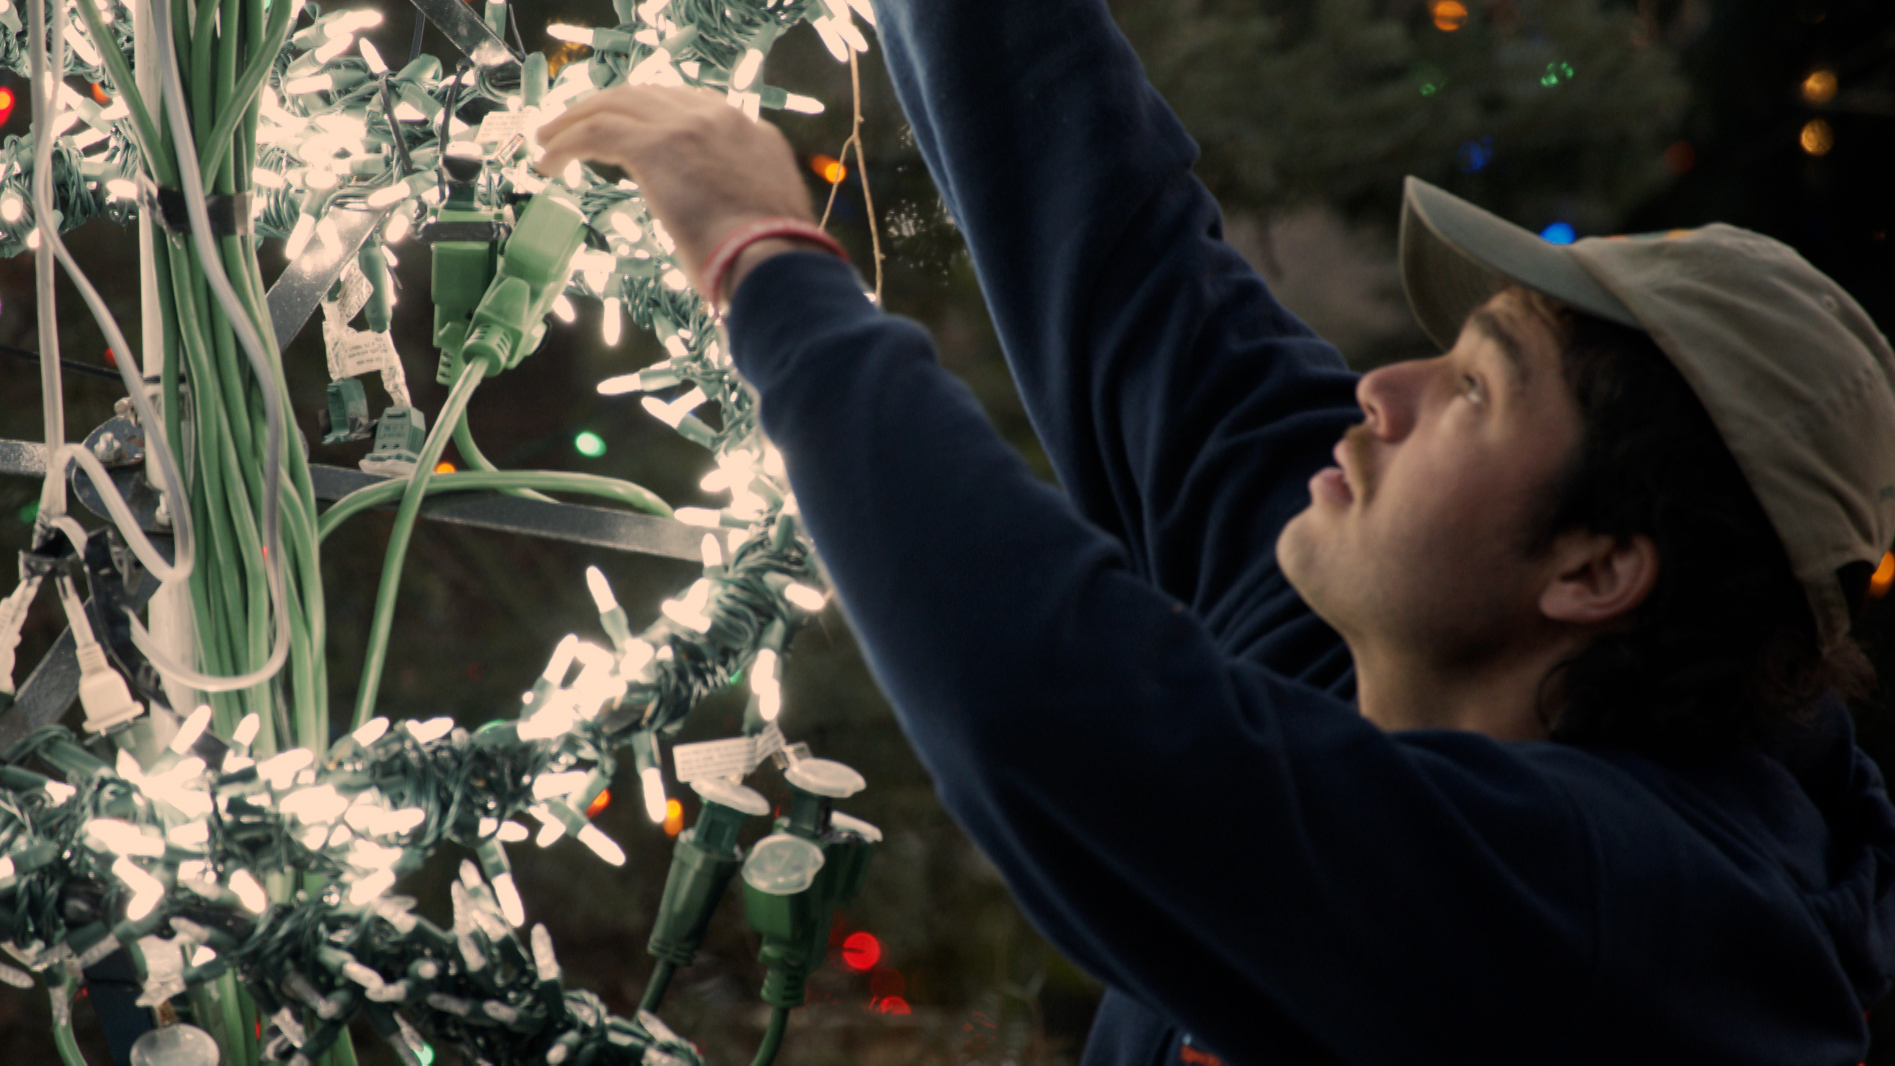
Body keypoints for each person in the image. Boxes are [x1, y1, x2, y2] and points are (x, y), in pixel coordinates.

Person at [537, 0, 1895, 1060]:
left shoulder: (1612, 929)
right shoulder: (1372, 602)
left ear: (1597, 569)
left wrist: (766, 260)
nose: (1384, 389)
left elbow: (1060, 714)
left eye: (1476, 388)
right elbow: (1114, 246)